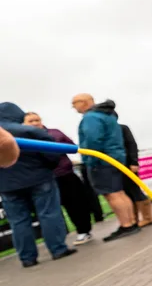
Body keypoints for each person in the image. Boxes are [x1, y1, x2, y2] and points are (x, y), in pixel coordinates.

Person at [0, 103, 77, 267]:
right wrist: (47, 168)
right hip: (39, 178)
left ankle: (27, 258)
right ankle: (58, 249)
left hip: (6, 185)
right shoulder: (31, 131)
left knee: (18, 221)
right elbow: (52, 153)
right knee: (48, 214)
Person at [72, 94, 138, 240]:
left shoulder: (91, 117)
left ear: (83, 102)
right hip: (115, 158)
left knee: (112, 194)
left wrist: (91, 160)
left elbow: (93, 140)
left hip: (102, 161)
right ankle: (131, 222)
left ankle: (126, 225)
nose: (73, 107)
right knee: (120, 192)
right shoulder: (107, 115)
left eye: (74, 103)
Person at [23, 112, 96, 244]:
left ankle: (84, 231)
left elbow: (72, 146)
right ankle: (57, 241)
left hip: (65, 175)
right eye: (30, 121)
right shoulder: (22, 138)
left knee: (76, 205)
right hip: (41, 180)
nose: (34, 123)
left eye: (36, 120)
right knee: (50, 211)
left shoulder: (54, 133)